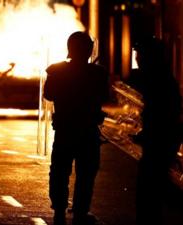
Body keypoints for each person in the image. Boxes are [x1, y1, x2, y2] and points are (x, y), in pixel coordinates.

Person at [44, 31, 110, 225]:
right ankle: (80, 211)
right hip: (87, 129)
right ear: (89, 50)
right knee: (86, 172)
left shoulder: (56, 71)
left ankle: (59, 209)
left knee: (59, 170)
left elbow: (48, 95)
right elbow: (104, 96)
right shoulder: (98, 73)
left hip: (65, 128)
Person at [127, 36, 183, 225]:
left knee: (153, 187)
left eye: (140, 56)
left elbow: (161, 115)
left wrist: (148, 135)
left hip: (160, 142)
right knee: (155, 187)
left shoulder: (159, 81)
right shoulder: (160, 78)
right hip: (159, 140)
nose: (137, 60)